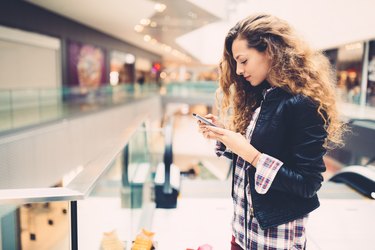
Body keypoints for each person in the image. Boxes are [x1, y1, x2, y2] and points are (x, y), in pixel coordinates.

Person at [196, 14, 344, 250]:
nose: (239, 70)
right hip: (242, 230)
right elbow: (257, 157)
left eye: (243, 60)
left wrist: (251, 154)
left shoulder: (303, 104)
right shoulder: (261, 96)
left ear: (269, 51)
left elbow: (308, 183)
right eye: (235, 62)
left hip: (275, 238)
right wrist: (226, 138)